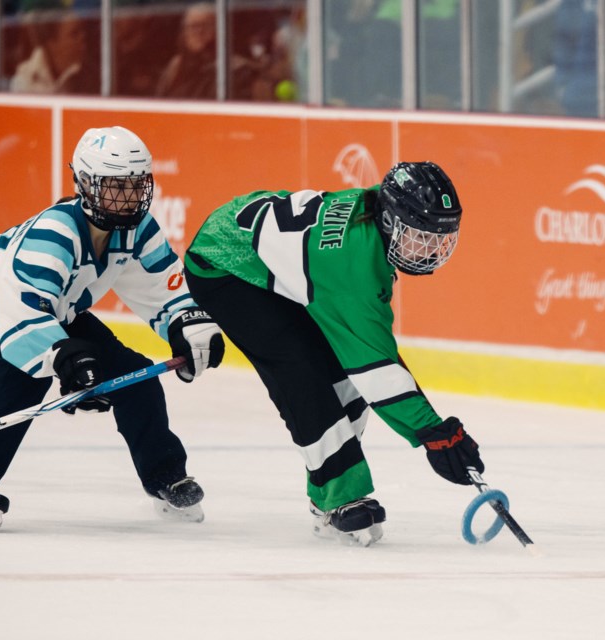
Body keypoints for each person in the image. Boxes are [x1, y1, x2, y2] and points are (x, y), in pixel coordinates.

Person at [0, 126, 225, 532]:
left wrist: (187, 324)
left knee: (131, 375)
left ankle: (164, 478)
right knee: (21, 373)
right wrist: (68, 359)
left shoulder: (138, 229)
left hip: (53, 308)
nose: (128, 197)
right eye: (115, 186)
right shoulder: (54, 233)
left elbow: (162, 287)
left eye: (137, 185)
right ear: (84, 183)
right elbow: (24, 316)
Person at [181, 161, 485, 547]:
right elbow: (375, 366)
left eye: (438, 236)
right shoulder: (352, 262)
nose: (429, 249)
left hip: (274, 262)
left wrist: (433, 432)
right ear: (391, 222)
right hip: (227, 266)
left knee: (343, 374)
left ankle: (329, 487)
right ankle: (340, 496)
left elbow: (371, 359)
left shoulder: (379, 213)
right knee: (302, 374)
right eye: (419, 236)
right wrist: (433, 434)